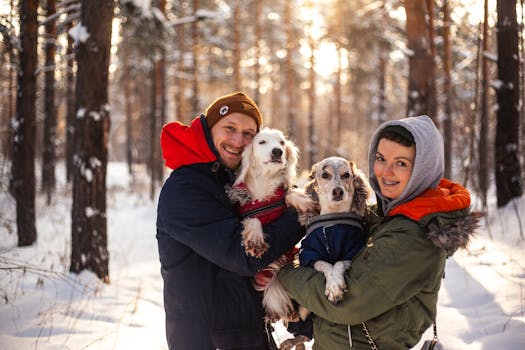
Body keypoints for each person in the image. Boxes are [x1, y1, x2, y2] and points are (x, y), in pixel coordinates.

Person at [277, 115, 481, 349]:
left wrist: (285, 272)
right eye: (381, 158)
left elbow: (346, 304)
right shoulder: (388, 214)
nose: (386, 172)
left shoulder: (413, 236)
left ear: (422, 170)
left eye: (401, 163)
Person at [156, 92, 305, 350]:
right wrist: (302, 216)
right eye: (230, 128)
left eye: (248, 133)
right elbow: (242, 255)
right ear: (208, 130)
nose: (238, 140)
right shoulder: (185, 188)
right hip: (204, 339)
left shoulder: (228, 180)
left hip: (244, 331)